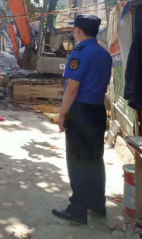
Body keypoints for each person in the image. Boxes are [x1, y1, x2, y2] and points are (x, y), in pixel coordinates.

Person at [52, 15, 112, 225]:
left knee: (77, 161)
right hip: (98, 112)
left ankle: (77, 210)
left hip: (81, 112)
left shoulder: (80, 53)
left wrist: (62, 114)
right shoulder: (104, 54)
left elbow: (72, 88)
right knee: (95, 159)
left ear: (77, 30)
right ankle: (97, 205)